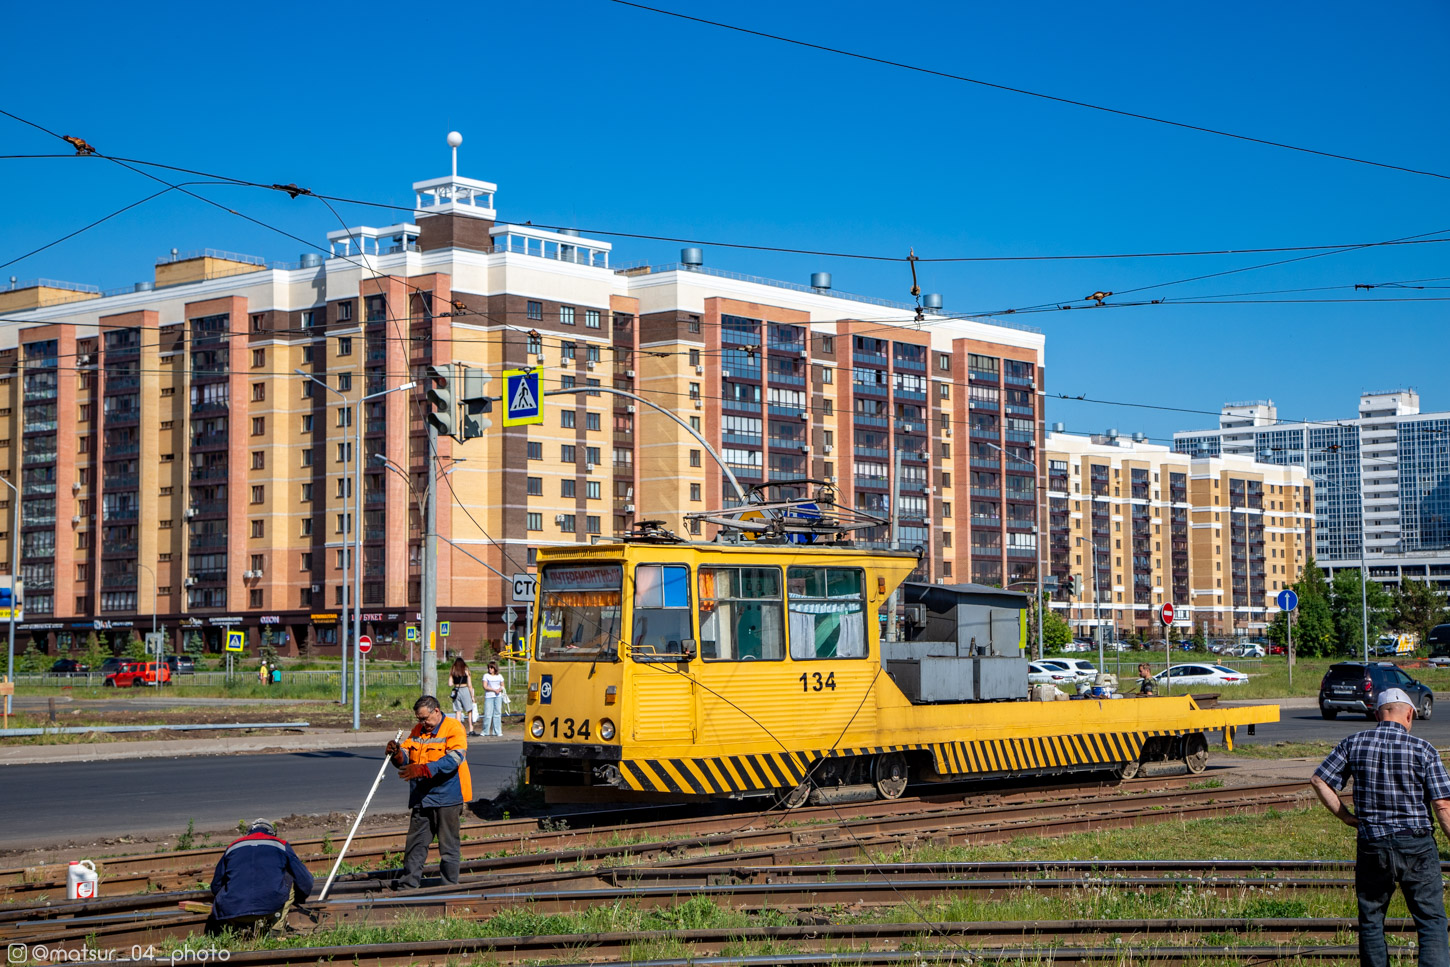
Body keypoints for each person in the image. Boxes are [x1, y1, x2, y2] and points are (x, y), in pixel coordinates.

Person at [1311, 687, 1450, 967]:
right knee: (1431, 919)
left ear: (1377, 714)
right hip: (1417, 845)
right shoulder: (1424, 749)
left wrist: (1347, 817)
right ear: (1409, 714)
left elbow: (1319, 780)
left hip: (1372, 843)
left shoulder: (1354, 743)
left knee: (1372, 918)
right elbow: (1443, 807)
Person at [386, 695, 471, 889]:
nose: (423, 723)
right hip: (421, 797)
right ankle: (408, 887)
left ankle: (449, 888)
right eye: (419, 719)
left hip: (447, 797)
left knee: (448, 846)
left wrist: (425, 769)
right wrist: (397, 754)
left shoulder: (454, 727)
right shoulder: (418, 730)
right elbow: (406, 755)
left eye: (425, 718)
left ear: (436, 711)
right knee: (415, 845)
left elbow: (454, 759)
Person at [206, 819, 313, 938]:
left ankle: (236, 928)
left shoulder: (233, 846)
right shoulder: (281, 844)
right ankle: (276, 929)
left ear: (248, 833)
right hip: (270, 910)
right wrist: (299, 898)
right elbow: (305, 880)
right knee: (289, 877)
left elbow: (216, 885)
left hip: (233, 913)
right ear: (272, 833)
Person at [449, 657, 477, 736]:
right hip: (465, 690)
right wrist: (472, 696)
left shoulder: (453, 671)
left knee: (458, 711)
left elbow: (450, 684)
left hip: (456, 691)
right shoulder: (466, 671)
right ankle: (471, 729)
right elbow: (470, 685)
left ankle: (458, 730)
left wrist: (454, 681)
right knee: (469, 710)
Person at [480, 660, 506, 737]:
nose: (490, 669)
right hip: (489, 696)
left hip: (498, 696)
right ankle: (485, 731)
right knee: (488, 714)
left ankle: (497, 731)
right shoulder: (486, 676)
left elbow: (502, 685)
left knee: (497, 713)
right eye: (489, 668)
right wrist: (494, 690)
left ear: (495, 668)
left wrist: (499, 689)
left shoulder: (500, 676)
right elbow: (485, 686)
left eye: (491, 668)